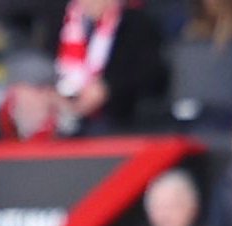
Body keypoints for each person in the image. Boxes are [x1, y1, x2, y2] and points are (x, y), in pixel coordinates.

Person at [54, 0, 164, 133]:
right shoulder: (65, 22)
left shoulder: (137, 23)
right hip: (67, 116)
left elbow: (151, 74)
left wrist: (107, 89)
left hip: (120, 120)